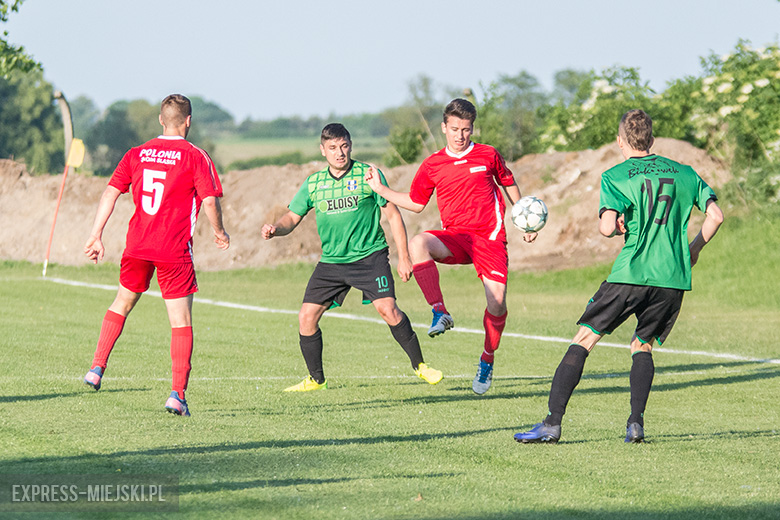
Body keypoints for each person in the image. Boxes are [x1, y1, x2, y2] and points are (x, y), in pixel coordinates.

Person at [514, 109, 724, 444]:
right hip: (672, 278)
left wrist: (615, 227)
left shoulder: (617, 175)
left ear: (620, 140)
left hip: (632, 272)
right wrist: (694, 249)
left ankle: (552, 424)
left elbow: (607, 226)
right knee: (642, 345)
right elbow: (715, 214)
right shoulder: (684, 173)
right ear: (651, 139)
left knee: (584, 339)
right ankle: (635, 424)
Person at [364, 98, 537, 395]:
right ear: (444, 127)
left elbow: (508, 182)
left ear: (472, 128)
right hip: (456, 237)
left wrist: (523, 217)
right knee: (419, 243)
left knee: (497, 304)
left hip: (490, 238)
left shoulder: (487, 155)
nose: (460, 135)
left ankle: (487, 358)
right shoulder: (433, 164)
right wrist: (382, 190)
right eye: (454, 128)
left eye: (466, 129)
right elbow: (417, 204)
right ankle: (439, 311)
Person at [261, 123, 442, 392]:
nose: (339, 153)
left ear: (351, 145)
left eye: (344, 146)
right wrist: (276, 229)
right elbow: (292, 217)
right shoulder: (314, 183)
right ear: (323, 150)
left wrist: (404, 257)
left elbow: (393, 215)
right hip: (332, 262)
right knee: (306, 317)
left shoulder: (368, 175)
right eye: (332, 148)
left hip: (370, 257)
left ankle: (420, 366)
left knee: (388, 310)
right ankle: (316, 379)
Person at [82, 94, 230, 417]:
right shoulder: (195, 156)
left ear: (161, 120)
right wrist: (220, 232)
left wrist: (96, 235)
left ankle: (96, 368)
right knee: (180, 321)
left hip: (137, 246)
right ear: (188, 121)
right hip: (173, 250)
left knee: (122, 302)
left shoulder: (137, 153)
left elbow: (110, 191)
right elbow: (209, 201)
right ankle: (177, 394)